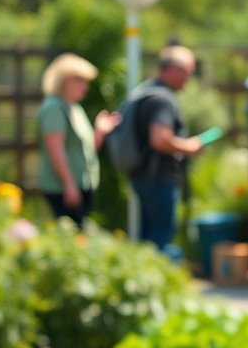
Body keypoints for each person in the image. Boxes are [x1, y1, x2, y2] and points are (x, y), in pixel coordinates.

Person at [128, 45, 204, 250]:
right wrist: (189, 146)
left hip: (141, 175)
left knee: (146, 237)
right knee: (159, 238)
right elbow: (160, 139)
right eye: (187, 73)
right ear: (173, 69)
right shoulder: (163, 99)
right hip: (158, 177)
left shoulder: (146, 92)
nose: (188, 79)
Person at [38, 53, 120, 227]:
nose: (85, 85)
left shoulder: (74, 108)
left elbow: (87, 149)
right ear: (62, 80)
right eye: (79, 80)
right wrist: (69, 184)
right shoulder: (54, 107)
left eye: (86, 80)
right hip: (64, 188)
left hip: (80, 184)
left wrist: (100, 131)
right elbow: (55, 148)